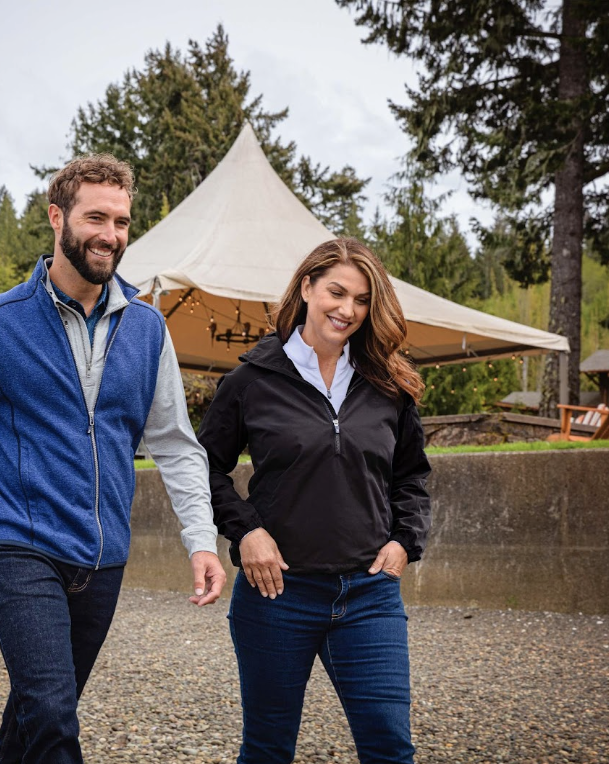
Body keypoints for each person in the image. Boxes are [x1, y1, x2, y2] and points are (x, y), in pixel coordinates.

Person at [0, 154, 226, 764]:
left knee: (35, 717)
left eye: (121, 221)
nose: (110, 235)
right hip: (20, 545)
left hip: (103, 559)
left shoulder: (147, 328)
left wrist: (202, 541)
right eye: (95, 217)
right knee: (55, 718)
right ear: (57, 217)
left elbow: (174, 442)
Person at [197, 237, 431, 764]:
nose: (348, 310)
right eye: (336, 292)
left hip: (370, 596)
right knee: (267, 750)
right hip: (277, 594)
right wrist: (247, 531)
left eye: (363, 299)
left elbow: (412, 477)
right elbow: (202, 467)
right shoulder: (251, 381)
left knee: (391, 747)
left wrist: (404, 541)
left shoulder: (388, 386)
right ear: (306, 287)